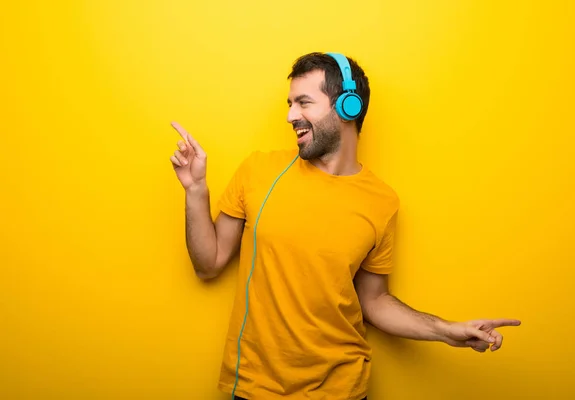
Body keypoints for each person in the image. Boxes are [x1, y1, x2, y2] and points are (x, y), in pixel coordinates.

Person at [169, 52, 521, 400]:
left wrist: (446, 330)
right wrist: (195, 190)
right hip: (256, 386)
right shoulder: (259, 171)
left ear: (347, 107)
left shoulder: (382, 201)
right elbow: (208, 264)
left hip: (343, 389)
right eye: (290, 103)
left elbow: (374, 300)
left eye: (304, 102)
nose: (291, 115)